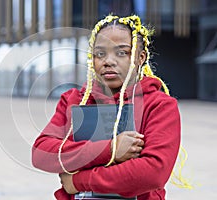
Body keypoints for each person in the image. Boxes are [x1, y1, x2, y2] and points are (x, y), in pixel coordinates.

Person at [32, 14, 189, 200]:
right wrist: (111, 149)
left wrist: (78, 181)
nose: (108, 61)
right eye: (100, 54)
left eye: (121, 52)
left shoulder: (160, 106)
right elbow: (41, 154)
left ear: (140, 57)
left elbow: (152, 173)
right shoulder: (73, 100)